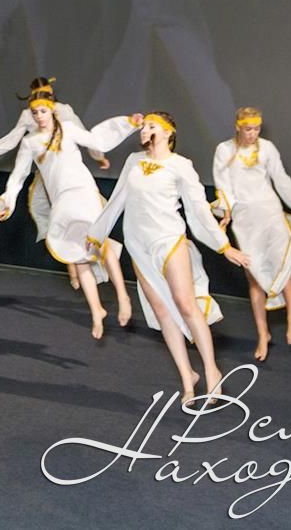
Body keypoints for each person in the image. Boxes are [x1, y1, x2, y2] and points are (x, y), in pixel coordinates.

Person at [88, 112, 250, 405]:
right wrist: (96, 234)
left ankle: (211, 371)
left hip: (169, 240)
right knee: (162, 311)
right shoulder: (133, 161)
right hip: (138, 245)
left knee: (186, 305)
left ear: (167, 133)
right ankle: (188, 378)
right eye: (143, 126)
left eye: (151, 126)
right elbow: (117, 201)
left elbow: (197, 209)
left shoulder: (180, 165)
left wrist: (224, 246)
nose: (145, 130)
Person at [0, 91, 140, 338]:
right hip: (62, 200)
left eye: (43, 111)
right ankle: (96, 310)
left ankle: (123, 296)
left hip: (83, 191)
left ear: (52, 110)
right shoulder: (30, 143)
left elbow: (97, 141)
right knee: (76, 252)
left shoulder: (69, 129)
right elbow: (18, 175)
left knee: (99, 241)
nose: (39, 116)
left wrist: (128, 124)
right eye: (35, 113)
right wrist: (8, 202)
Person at [213, 107, 291, 361]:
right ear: (238, 127)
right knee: (254, 276)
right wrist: (226, 212)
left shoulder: (267, 148)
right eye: (248, 129)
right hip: (245, 219)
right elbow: (223, 185)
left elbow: (281, 180)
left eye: (256, 129)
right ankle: (263, 333)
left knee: (283, 263)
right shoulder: (224, 150)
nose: (253, 133)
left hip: (271, 213)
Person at [0, 78, 111, 289]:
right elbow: (11, 140)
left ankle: (99, 265)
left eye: (46, 95)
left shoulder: (64, 112)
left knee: (89, 217)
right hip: (49, 176)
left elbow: (84, 133)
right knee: (59, 219)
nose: (39, 114)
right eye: (36, 99)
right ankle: (74, 269)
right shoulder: (28, 116)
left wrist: (98, 156)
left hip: (71, 174)